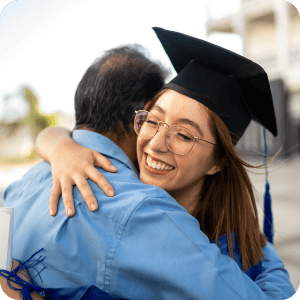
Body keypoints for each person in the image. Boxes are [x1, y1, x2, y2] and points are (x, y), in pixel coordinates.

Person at [2, 29, 295, 299]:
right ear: (133, 121)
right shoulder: (140, 213)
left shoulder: (20, 186)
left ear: (218, 161)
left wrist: (261, 249)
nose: (155, 143)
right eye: (152, 120)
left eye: (183, 135)